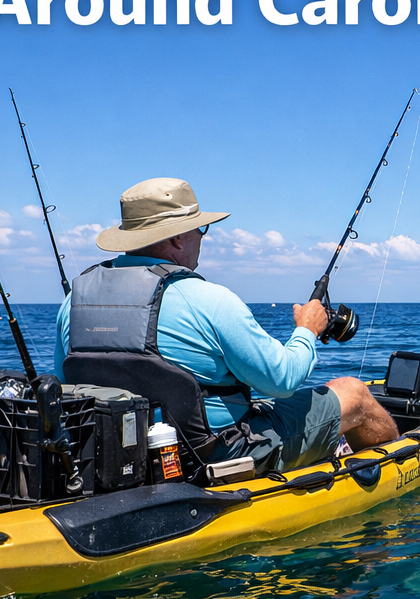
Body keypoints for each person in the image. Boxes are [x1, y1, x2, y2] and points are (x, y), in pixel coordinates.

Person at [54, 177, 398, 474]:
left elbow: (68, 383)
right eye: (200, 229)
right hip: (215, 454)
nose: (202, 238)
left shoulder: (74, 301)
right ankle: (395, 477)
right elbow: (283, 381)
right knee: (354, 394)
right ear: (177, 238)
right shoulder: (208, 299)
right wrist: (307, 329)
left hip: (114, 455)